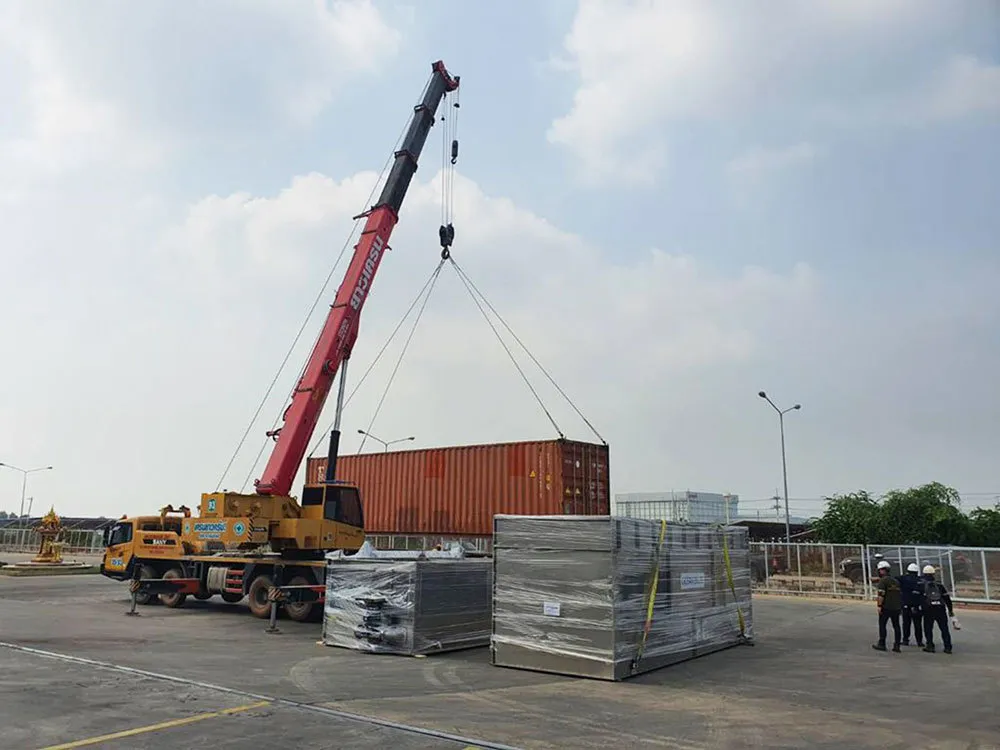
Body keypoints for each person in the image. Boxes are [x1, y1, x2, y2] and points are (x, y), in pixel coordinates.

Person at [920, 565, 954, 654]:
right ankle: (948, 647)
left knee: (928, 628)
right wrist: (950, 610)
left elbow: (919, 599)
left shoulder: (922, 585)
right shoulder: (939, 585)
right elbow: (947, 599)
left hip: (928, 609)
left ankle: (930, 646)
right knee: (944, 628)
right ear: (933, 574)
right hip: (940, 608)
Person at [872, 560, 902, 652]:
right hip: (896, 607)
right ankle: (897, 645)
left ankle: (882, 643)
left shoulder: (883, 581)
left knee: (882, 625)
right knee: (896, 626)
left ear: (882, 570)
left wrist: (879, 605)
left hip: (886, 607)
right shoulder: (896, 581)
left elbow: (881, 594)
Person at [897, 562, 924, 647]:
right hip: (917, 606)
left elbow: (895, 579)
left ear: (908, 571)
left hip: (906, 605)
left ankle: (905, 640)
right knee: (918, 624)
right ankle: (919, 641)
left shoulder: (903, 578)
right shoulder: (920, 580)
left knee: (906, 623)